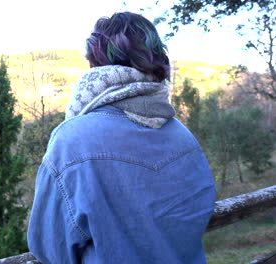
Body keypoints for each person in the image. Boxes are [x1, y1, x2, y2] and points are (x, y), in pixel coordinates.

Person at [28, 12, 216, 264]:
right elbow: (196, 216)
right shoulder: (183, 136)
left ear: (95, 64)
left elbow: (49, 247)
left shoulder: (71, 140)